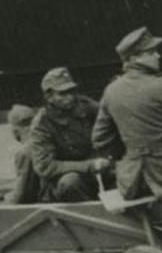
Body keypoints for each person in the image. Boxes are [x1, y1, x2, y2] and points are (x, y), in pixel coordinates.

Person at [92, 26, 162, 200]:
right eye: (151, 52)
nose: (158, 56)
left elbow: (99, 138)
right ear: (134, 58)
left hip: (131, 181)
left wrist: (128, 154)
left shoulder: (111, 90)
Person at [27, 67, 112, 202]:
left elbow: (109, 124)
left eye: (72, 91)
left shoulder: (86, 106)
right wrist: (89, 166)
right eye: (62, 94)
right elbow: (45, 166)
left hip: (97, 168)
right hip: (64, 180)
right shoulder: (41, 125)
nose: (70, 97)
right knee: (70, 182)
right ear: (49, 97)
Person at [3, 103, 40, 204]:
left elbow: (21, 196)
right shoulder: (44, 142)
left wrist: (7, 200)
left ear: (15, 130)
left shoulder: (25, 152)